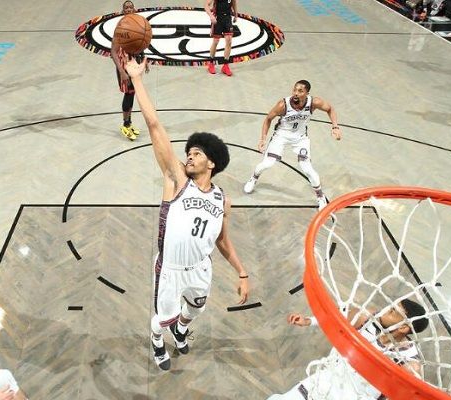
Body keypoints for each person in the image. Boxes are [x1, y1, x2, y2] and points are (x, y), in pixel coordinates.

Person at [124, 53, 251, 371]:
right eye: (189, 153)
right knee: (161, 319)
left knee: (194, 310)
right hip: (170, 268)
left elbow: (223, 241)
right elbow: (154, 126)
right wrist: (137, 79)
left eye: (197, 153)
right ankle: (157, 341)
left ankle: (181, 330)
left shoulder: (222, 199)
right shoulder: (177, 179)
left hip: (200, 268)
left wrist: (242, 272)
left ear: (212, 163)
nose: (190, 157)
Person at [269, 299, 429, 399]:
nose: (387, 309)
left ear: (403, 328)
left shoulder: (410, 362)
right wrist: (309, 321)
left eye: (393, 311)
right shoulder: (367, 318)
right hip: (325, 382)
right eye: (391, 306)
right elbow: (337, 317)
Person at [242, 80, 341, 210]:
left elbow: (330, 109)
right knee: (268, 163)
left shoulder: (314, 103)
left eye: (300, 91)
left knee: (307, 168)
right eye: (294, 90)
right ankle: (254, 178)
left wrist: (335, 126)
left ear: (307, 93)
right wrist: (263, 139)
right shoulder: (283, 105)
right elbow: (268, 119)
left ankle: (320, 196)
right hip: (281, 136)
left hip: (300, 138)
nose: (296, 93)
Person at [111, 0, 142, 140]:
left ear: (134, 9)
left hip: (134, 63)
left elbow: (140, 43)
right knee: (128, 94)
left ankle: (129, 123)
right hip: (124, 65)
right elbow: (113, 51)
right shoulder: (120, 27)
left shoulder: (137, 24)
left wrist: (143, 59)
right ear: (124, 11)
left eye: (130, 7)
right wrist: (122, 71)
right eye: (126, 8)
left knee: (132, 93)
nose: (129, 9)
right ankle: (125, 124)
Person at [205, 0, 237, 76]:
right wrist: (211, 16)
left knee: (229, 41)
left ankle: (225, 66)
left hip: (227, 18)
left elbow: (234, 2)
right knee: (216, 41)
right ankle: (211, 63)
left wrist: (236, 15)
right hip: (218, 18)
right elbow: (206, 5)